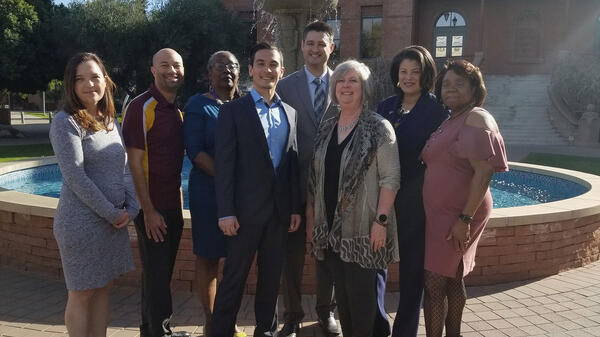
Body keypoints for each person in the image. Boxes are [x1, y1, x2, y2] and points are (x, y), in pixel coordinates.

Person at [211, 42, 301, 337]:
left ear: (281, 71)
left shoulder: (290, 113)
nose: (267, 69)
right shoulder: (233, 111)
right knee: (233, 280)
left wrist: (295, 208)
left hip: (277, 215)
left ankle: (266, 332)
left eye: (273, 64)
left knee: (271, 280)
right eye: (261, 63)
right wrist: (225, 212)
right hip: (243, 215)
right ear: (250, 70)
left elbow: (291, 164)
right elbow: (224, 165)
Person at [307, 59, 400, 337]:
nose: (346, 86)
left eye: (353, 81)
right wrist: (313, 221)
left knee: (362, 304)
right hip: (331, 231)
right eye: (341, 81)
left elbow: (390, 178)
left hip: (363, 230)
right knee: (345, 302)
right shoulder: (327, 126)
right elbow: (314, 178)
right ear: (334, 87)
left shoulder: (378, 127)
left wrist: (381, 221)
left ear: (364, 88)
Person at [49, 52, 138, 337]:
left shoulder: (109, 118)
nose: (89, 84)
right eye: (80, 79)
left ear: (105, 81)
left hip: (112, 223)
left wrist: (132, 207)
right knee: (82, 292)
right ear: (71, 85)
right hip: (81, 224)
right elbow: (75, 176)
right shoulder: (66, 122)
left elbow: (124, 167)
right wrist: (112, 213)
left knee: (104, 287)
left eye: (95, 77)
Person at [421, 59, 508, 337]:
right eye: (446, 84)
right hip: (442, 214)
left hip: (459, 212)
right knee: (450, 278)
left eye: (460, 84)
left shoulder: (476, 117)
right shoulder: (453, 118)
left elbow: (484, 173)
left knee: (435, 280)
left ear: (474, 88)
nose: (451, 89)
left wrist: (464, 219)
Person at [376, 46, 448, 337]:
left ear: (426, 74)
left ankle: (404, 331)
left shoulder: (437, 111)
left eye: (415, 72)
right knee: (375, 265)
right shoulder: (384, 107)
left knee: (411, 273)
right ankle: (376, 327)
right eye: (403, 72)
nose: (408, 77)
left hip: (417, 202)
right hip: (383, 199)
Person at [276, 20, 339, 337]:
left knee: (327, 252)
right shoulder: (285, 86)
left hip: (332, 187)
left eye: (322, 44)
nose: (315, 49)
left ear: (331, 47)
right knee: (292, 255)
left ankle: (327, 312)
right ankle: (291, 313)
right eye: (310, 43)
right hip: (294, 186)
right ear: (302, 47)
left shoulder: (344, 83)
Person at [121, 48, 189, 337]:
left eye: (176, 65)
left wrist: (179, 204)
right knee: (158, 276)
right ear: (152, 70)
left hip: (171, 206)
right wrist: (147, 210)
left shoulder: (177, 112)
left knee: (157, 275)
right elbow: (133, 163)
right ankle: (161, 331)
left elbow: (175, 165)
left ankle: (151, 330)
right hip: (151, 209)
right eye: (164, 65)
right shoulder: (141, 106)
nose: (171, 70)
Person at [182, 50, 245, 337]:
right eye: (219, 66)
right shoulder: (198, 105)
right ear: (209, 74)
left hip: (242, 196)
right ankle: (212, 323)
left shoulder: (247, 105)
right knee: (208, 258)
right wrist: (228, 180)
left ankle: (227, 321)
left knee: (235, 261)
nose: (226, 71)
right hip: (209, 194)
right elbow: (195, 151)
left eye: (232, 66)